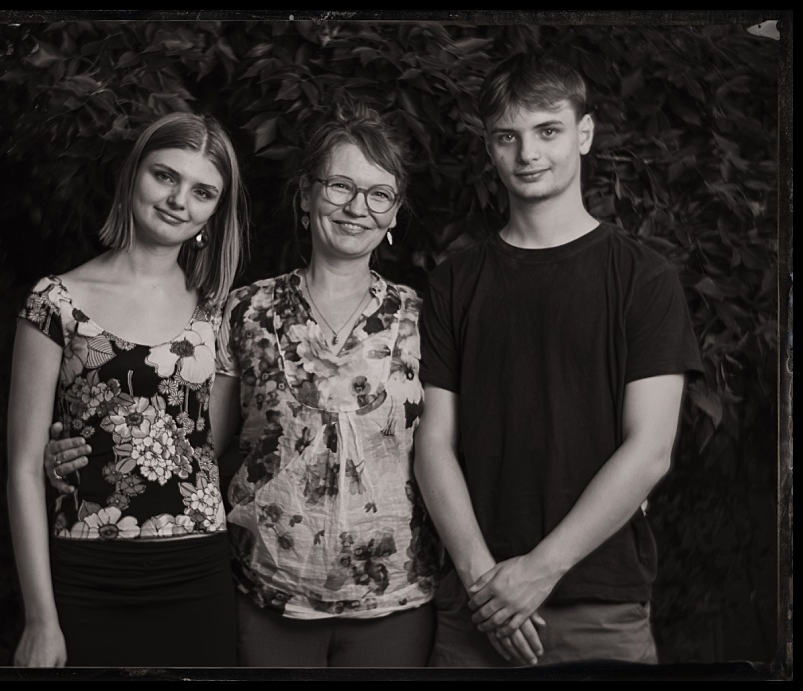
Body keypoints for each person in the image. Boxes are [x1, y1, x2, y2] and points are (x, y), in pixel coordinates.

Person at [45, 98, 442, 667]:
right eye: (338, 187)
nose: (357, 208)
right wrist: (77, 452)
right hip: (267, 593)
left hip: (395, 600)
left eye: (378, 194)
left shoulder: (423, 318)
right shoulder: (244, 310)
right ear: (306, 195)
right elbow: (192, 443)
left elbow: (454, 449)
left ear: (395, 213)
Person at [414, 52, 703, 668]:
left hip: (600, 606)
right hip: (475, 607)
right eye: (507, 137)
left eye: (548, 130)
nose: (528, 154)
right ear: (489, 147)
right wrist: (485, 583)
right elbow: (434, 443)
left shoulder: (643, 279)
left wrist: (537, 574)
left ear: (585, 134)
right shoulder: (454, 283)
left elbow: (650, 449)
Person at [7, 111, 247, 668]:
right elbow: (21, 468)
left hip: (198, 572)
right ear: (133, 174)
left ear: (215, 211)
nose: (178, 199)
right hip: (86, 572)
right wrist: (40, 619)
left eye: (202, 191)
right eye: (165, 176)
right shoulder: (55, 301)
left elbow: (206, 449)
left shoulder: (223, 313)